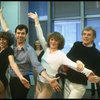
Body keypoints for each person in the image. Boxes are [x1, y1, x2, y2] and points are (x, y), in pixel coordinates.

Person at [28, 12, 97, 99]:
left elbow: (74, 65)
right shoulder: (47, 49)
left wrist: (88, 73)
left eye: (56, 40)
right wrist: (36, 20)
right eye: (52, 39)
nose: (53, 42)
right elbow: (40, 35)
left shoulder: (61, 55)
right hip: (39, 80)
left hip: (49, 83)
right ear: (49, 40)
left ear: (60, 42)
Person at [0, 8, 61, 99]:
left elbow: (37, 65)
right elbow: (6, 28)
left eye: (22, 33)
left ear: (26, 35)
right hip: (12, 79)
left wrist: (48, 79)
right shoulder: (12, 41)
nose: (20, 35)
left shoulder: (30, 50)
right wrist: (0, 14)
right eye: (18, 33)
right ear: (16, 34)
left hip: (23, 80)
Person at [62, 26, 100, 99]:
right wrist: (77, 61)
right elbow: (68, 55)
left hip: (79, 85)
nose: (86, 36)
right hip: (68, 80)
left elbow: (98, 69)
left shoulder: (96, 53)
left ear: (93, 37)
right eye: (84, 34)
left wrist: (98, 77)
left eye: (89, 35)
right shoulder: (77, 45)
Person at [0, 31, 31, 99]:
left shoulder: (9, 50)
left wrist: (21, 77)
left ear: (8, 41)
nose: (1, 41)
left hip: (1, 79)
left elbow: (13, 63)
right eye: (0, 39)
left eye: (4, 39)